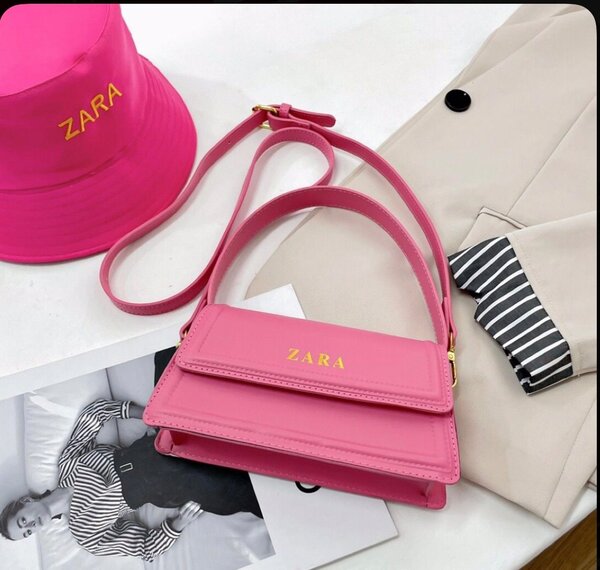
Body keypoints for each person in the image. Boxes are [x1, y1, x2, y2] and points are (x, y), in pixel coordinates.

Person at [0, 398, 263, 562]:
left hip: (148, 451)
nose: (31, 526)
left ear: (25, 502)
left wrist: (148, 413)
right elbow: (145, 547)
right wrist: (177, 524)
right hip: (164, 489)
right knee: (239, 491)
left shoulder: (67, 464)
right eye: (27, 532)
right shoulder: (84, 534)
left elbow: (95, 413)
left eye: (23, 520)